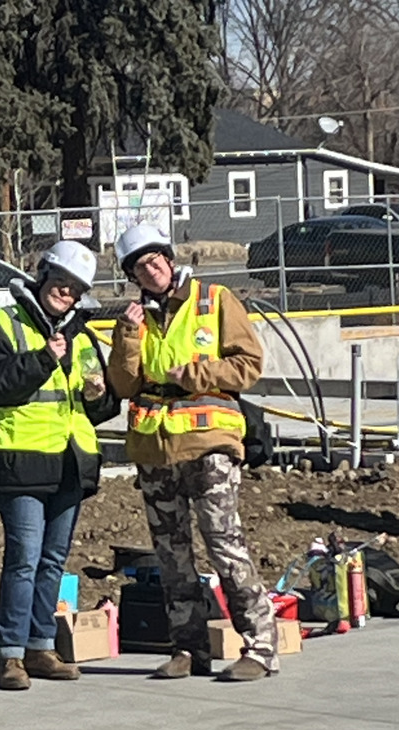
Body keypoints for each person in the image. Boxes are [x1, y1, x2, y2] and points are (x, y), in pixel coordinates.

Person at [107, 223, 278, 682]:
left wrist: (196, 375)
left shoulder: (215, 300)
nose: (151, 270)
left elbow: (249, 365)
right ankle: (188, 647)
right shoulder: (134, 319)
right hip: (156, 449)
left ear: (169, 257)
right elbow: (123, 385)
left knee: (224, 545)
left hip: (209, 444)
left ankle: (261, 647)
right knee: (172, 555)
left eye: (155, 260)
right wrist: (126, 336)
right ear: (133, 276)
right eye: (140, 267)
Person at [0, 240, 119, 691]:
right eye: (61, 282)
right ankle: (11, 655)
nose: (67, 293)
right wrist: (43, 359)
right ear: (43, 276)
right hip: (19, 461)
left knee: (53, 560)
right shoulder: (0, 326)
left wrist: (101, 396)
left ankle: (40, 646)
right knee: (24, 558)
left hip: (70, 463)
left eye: (75, 288)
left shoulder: (83, 335)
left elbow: (99, 404)